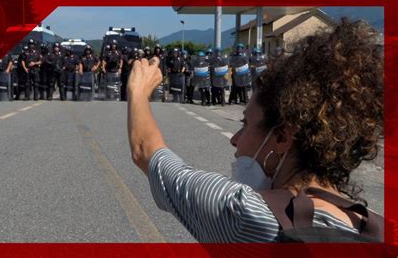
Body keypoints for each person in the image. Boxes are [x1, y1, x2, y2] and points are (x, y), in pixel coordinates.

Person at [126, 19, 384, 243]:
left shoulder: (246, 215)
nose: (235, 140)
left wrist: (138, 90)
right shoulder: (379, 231)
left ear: (282, 137)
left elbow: (146, 151)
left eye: (245, 124)